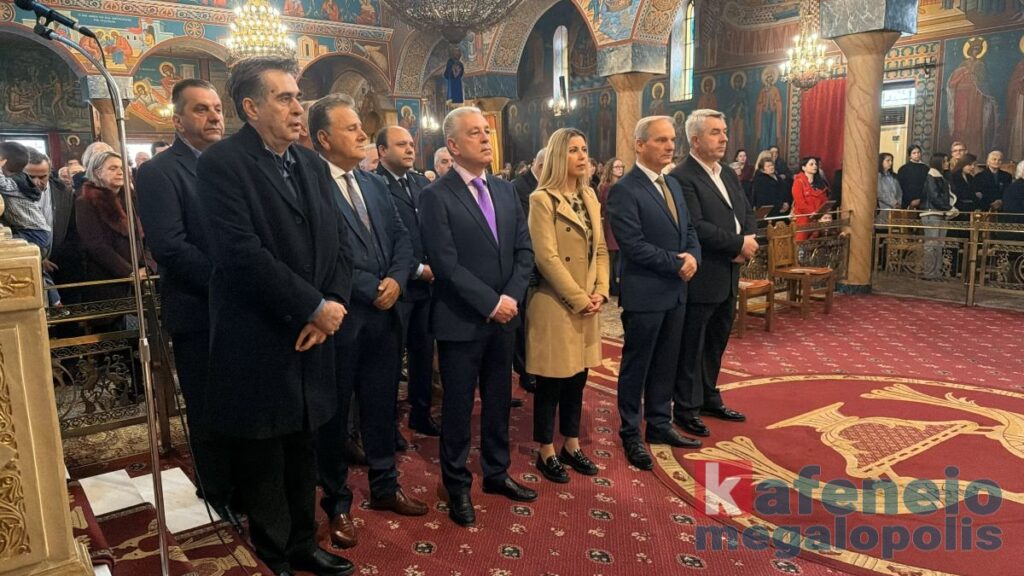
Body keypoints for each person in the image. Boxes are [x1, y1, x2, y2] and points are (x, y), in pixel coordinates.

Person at [195, 56, 355, 576]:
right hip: (260, 333)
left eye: (298, 97)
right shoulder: (222, 164)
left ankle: (304, 542)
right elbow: (241, 254)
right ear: (251, 107)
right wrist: (312, 305)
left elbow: (338, 242)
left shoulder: (310, 163)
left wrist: (332, 304)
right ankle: (274, 552)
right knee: (264, 454)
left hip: (314, 332)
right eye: (284, 98)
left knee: (304, 443)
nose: (298, 108)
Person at [311, 95, 425, 551]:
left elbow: (401, 237)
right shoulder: (311, 186)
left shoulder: (374, 184)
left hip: (385, 314)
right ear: (324, 138)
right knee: (335, 416)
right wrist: (369, 286)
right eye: (351, 128)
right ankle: (337, 503)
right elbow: (322, 255)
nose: (363, 134)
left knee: (381, 407)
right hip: (343, 317)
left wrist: (396, 279)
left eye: (361, 127)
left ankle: (384, 486)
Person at [419, 106, 536, 527]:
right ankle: (456, 484)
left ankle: (497, 472)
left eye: (487, 131)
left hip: (504, 317)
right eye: (475, 133)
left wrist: (511, 297)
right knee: (458, 406)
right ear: (453, 145)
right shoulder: (435, 196)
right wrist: (490, 302)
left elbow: (524, 250)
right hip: (462, 320)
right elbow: (445, 264)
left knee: (499, 399)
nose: (487, 138)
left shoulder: (504, 190)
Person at [135, 78, 239, 528]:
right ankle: (217, 490)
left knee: (243, 398)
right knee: (209, 405)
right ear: (178, 120)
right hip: (199, 307)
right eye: (201, 109)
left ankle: (246, 481)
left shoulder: (232, 164)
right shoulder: (159, 172)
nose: (214, 116)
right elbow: (170, 246)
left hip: (242, 308)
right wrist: (230, 284)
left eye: (216, 108)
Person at [608, 115, 703, 472]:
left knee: (666, 361)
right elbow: (632, 245)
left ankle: (660, 423)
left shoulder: (673, 184)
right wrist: (676, 264)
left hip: (676, 292)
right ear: (640, 144)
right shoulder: (625, 189)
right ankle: (631, 431)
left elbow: (688, 229)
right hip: (645, 293)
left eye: (672, 139)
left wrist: (693, 257)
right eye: (661, 140)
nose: (670, 146)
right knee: (638, 365)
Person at [526, 128, 608, 484]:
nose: (582, 156)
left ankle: (571, 444)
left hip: (587, 301)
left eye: (584, 149)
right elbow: (546, 258)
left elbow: (600, 249)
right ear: (559, 155)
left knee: (578, 377)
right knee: (551, 382)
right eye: (573, 150)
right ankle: (546, 450)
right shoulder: (542, 199)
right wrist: (578, 298)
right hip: (556, 304)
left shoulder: (589, 195)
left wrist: (601, 291)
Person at [669, 109, 754, 439]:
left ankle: (708, 397)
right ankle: (686, 407)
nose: (724, 138)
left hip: (729, 272)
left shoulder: (727, 173)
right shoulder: (682, 176)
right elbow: (696, 226)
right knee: (693, 345)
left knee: (716, 341)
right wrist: (738, 244)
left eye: (724, 131)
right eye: (715, 132)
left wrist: (749, 237)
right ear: (695, 140)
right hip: (704, 275)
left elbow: (745, 210)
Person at [374, 125, 439, 437]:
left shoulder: (420, 182)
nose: (410, 149)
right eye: (401, 144)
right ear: (382, 151)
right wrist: (416, 269)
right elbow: (386, 238)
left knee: (423, 354)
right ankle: (387, 424)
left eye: (411, 144)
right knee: (390, 360)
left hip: (426, 286)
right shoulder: (375, 184)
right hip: (398, 284)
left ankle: (421, 413)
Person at [76, 150, 155, 303]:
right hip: (109, 278)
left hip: (143, 275)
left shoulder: (132, 198)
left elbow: (150, 233)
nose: (120, 172)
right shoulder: (86, 201)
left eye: (122, 168)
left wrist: (148, 266)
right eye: (113, 168)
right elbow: (95, 245)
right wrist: (130, 272)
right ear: (97, 172)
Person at [510, 147, 546, 394]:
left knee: (538, 320)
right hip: (526, 263)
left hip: (543, 263)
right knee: (523, 322)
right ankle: (525, 370)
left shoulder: (547, 185)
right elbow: (526, 229)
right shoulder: (519, 187)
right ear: (541, 166)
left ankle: (538, 366)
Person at [921, 153, 954, 280]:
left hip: (941, 213)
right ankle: (929, 272)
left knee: (940, 244)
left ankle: (937, 272)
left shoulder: (942, 176)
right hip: (932, 213)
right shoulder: (932, 175)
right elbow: (934, 196)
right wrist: (948, 208)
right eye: (945, 161)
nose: (947, 163)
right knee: (931, 244)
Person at [597, 157, 625, 296]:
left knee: (618, 257)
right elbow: (608, 206)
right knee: (611, 257)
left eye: (621, 167)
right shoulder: (607, 187)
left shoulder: (621, 185)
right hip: (610, 224)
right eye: (617, 167)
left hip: (619, 223)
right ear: (610, 169)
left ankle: (616, 283)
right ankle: (610, 285)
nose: (620, 169)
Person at [791, 156, 831, 242]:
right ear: (803, 167)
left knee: (820, 241)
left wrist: (824, 211)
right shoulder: (798, 182)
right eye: (811, 164)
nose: (815, 166)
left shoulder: (820, 182)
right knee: (801, 242)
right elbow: (800, 203)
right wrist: (812, 212)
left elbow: (824, 199)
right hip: (804, 218)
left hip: (818, 218)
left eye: (816, 164)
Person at [751, 151, 791, 219]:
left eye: (772, 165)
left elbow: (784, 190)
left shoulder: (776, 176)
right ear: (762, 169)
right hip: (768, 211)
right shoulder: (760, 179)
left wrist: (786, 202)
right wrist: (781, 204)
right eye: (768, 166)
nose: (771, 167)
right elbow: (766, 197)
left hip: (781, 210)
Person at [897, 144, 928, 210]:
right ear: (909, 155)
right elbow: (901, 186)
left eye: (918, 152)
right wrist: (910, 201)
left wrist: (921, 199)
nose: (917, 155)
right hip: (908, 202)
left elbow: (928, 185)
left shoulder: (926, 168)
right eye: (914, 153)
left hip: (923, 201)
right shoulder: (903, 169)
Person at [876, 152, 903, 225]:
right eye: (888, 160)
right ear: (881, 162)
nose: (890, 163)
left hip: (895, 209)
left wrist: (898, 203)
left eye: (891, 161)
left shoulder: (893, 176)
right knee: (883, 227)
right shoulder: (878, 176)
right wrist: (893, 202)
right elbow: (880, 194)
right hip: (883, 207)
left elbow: (899, 192)